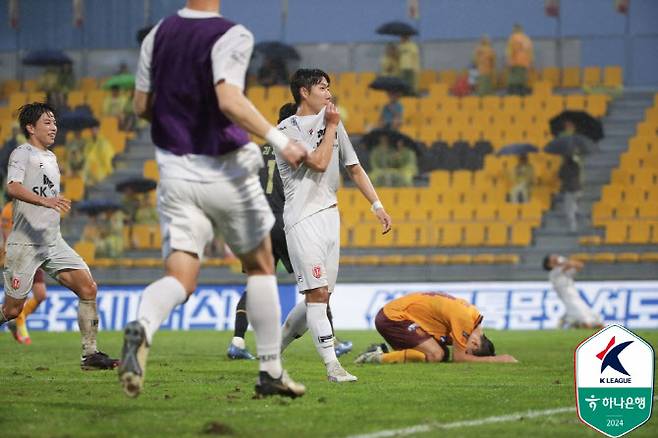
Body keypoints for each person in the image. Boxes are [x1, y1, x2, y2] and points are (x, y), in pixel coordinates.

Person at [119, 0, 307, 399]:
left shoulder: (158, 34)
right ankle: (270, 370)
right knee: (260, 266)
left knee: (181, 277)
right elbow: (229, 100)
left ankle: (143, 325)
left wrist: (181, 120)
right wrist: (279, 140)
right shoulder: (232, 34)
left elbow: (140, 106)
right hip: (226, 170)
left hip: (174, 172)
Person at [275, 68, 392, 382]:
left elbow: (353, 168)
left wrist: (377, 205)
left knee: (320, 295)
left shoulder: (333, 125)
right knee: (317, 294)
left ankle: (273, 347)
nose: (329, 93)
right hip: (302, 219)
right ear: (304, 91)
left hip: (330, 217)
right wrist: (330, 127)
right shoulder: (287, 129)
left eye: (329, 87)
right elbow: (319, 162)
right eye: (322, 87)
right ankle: (332, 366)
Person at [228, 104, 353, 360]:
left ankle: (237, 342)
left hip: (256, 224)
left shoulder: (256, 151)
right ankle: (333, 341)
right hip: (284, 221)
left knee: (256, 281)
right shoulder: (294, 149)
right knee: (316, 285)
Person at [0, 102, 118, 370]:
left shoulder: (52, 158)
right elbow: (13, 187)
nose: (54, 127)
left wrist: (50, 204)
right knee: (12, 311)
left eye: (54, 122)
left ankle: (90, 355)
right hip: (25, 242)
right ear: (30, 128)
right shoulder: (22, 153)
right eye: (47, 122)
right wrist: (46, 202)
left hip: (53, 241)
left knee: (88, 288)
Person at [354, 292, 518, 364]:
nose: (460, 348)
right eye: (469, 351)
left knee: (443, 354)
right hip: (393, 317)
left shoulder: (472, 316)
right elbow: (459, 359)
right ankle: (374, 357)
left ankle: (383, 351)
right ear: (474, 343)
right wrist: (499, 360)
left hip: (400, 315)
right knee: (436, 354)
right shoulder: (465, 320)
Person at [2, 200, 47, 345]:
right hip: (18, 257)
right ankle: (20, 328)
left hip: (34, 254)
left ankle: (16, 322)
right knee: (15, 302)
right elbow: (6, 233)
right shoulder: (9, 209)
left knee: (40, 295)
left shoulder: (35, 206)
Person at [543, 254, 602, 329]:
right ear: (549, 265)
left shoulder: (565, 272)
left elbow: (580, 265)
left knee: (591, 316)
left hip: (575, 296)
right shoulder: (553, 273)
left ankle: (566, 321)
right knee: (584, 319)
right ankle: (571, 322)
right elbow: (568, 265)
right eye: (553, 260)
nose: (556, 259)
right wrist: (562, 260)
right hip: (568, 299)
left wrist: (563, 261)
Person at [506, 24, 533, 95]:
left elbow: (510, 51)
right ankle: (522, 95)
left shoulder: (513, 38)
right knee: (522, 80)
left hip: (515, 62)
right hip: (524, 63)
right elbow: (530, 52)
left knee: (514, 80)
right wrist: (529, 63)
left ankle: (513, 95)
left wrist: (509, 62)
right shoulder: (527, 39)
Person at [558, 154, 582, 232]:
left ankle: (573, 226)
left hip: (570, 190)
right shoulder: (576, 165)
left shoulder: (564, 167)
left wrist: (562, 167)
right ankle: (576, 210)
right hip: (578, 188)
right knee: (573, 204)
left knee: (568, 209)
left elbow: (560, 175)